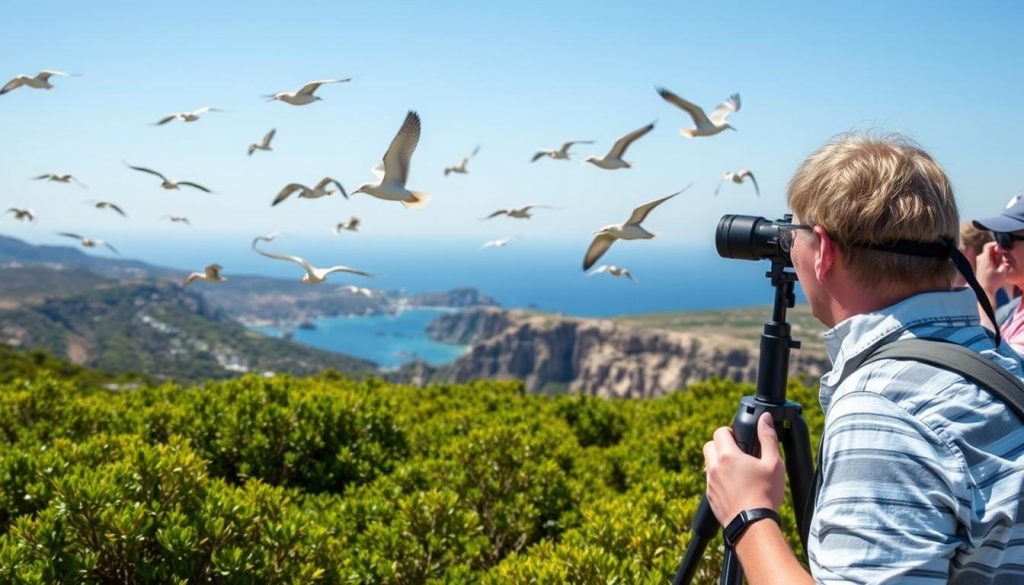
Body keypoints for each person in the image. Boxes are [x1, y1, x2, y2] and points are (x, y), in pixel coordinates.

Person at [702, 133, 1024, 584]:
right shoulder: (1000, 359)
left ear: (824, 251)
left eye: (794, 233)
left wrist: (747, 515)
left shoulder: (883, 410)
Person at [973, 196, 1024, 347]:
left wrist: (985, 291)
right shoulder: (1017, 307)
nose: (998, 248)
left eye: (1006, 239)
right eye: (997, 237)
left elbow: (996, 365)